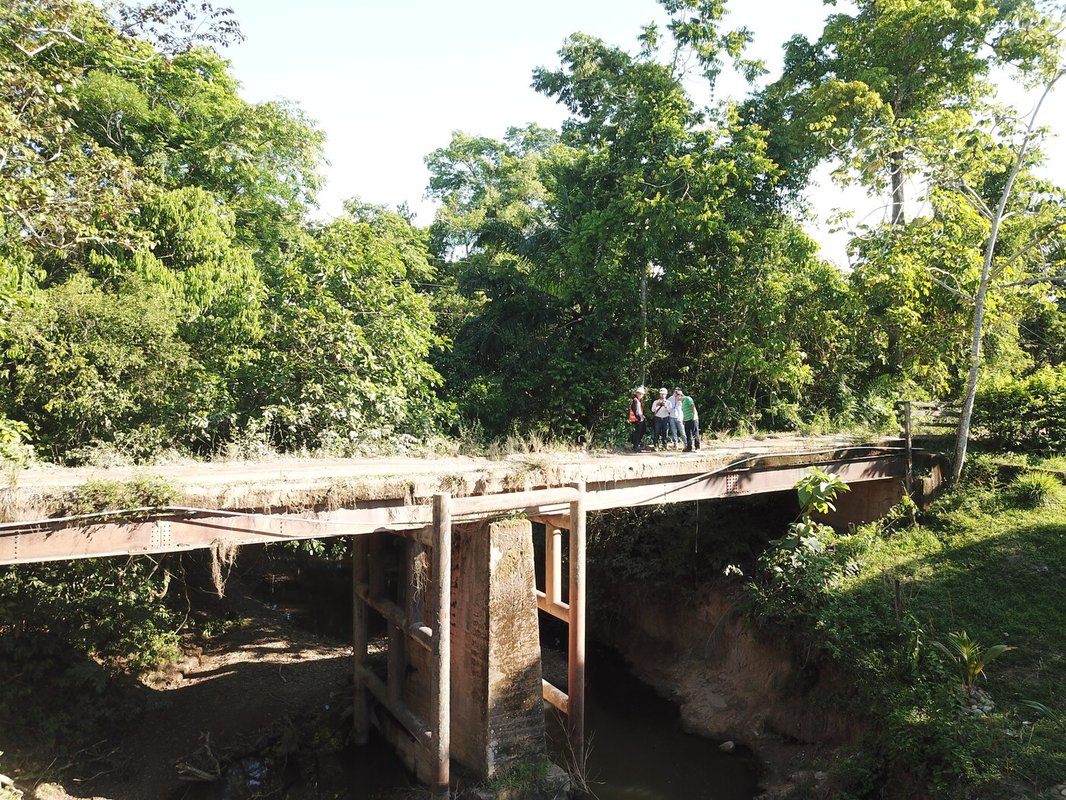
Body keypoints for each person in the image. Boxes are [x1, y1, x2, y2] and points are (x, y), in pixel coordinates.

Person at [628, 386, 647, 451]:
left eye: (641, 394)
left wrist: (642, 416)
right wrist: (639, 418)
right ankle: (636, 446)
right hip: (637, 420)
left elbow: (639, 410)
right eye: (639, 393)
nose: (641, 395)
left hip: (639, 419)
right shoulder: (635, 400)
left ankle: (636, 444)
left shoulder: (638, 401)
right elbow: (635, 410)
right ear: (637, 393)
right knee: (638, 433)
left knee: (642, 431)